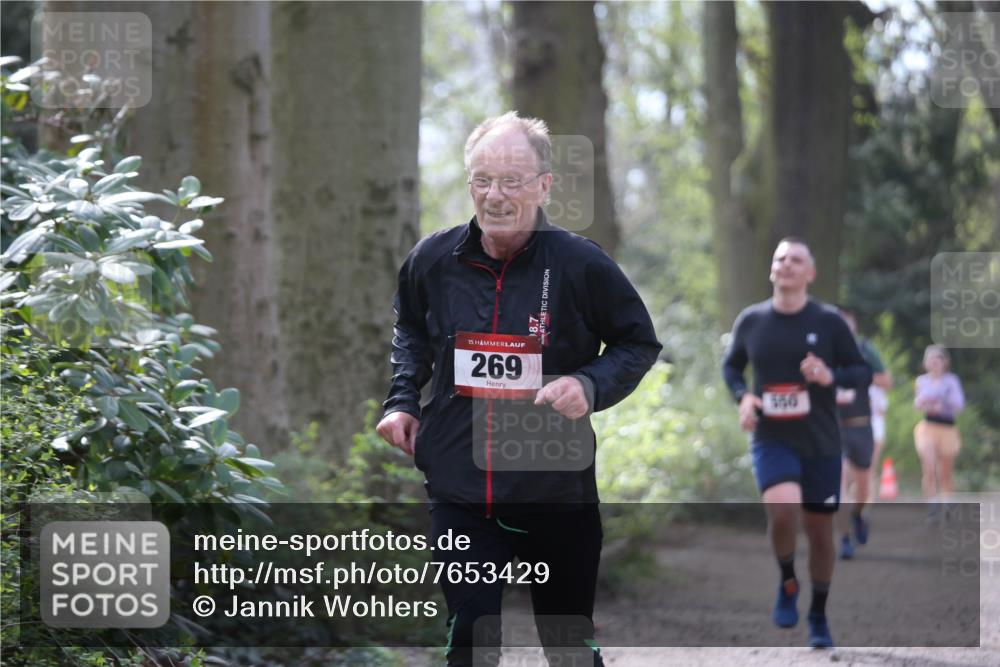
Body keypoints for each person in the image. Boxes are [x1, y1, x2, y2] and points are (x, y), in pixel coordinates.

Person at [376, 111, 661, 667]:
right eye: (482, 180)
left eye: (512, 181)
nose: (496, 195)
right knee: (471, 644)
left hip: (554, 490)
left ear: (544, 186)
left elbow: (637, 344)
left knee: (569, 647)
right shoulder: (432, 260)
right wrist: (403, 398)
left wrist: (590, 384)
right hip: (461, 491)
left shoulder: (582, 264)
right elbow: (409, 328)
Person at [722, 238, 871, 649]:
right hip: (772, 437)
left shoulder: (829, 322)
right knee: (783, 511)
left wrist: (828, 376)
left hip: (821, 441)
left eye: (796, 260)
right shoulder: (751, 320)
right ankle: (788, 580)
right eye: (780, 258)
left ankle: (819, 612)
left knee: (821, 533)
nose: (786, 264)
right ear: (772, 270)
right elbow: (732, 366)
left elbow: (860, 372)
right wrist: (744, 397)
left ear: (811, 273)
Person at [833, 307, 891, 560]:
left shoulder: (866, 350)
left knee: (863, 485)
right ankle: (844, 538)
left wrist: (859, 376)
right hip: (834, 425)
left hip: (862, 424)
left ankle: (857, 515)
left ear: (854, 325)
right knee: (840, 479)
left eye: (847, 322)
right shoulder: (822, 351)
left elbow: (887, 381)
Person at [913, 345, 965, 512]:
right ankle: (932, 504)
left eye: (938, 359)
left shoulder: (952, 381)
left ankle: (947, 501)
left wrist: (942, 405)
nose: (934, 363)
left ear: (944, 362)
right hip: (928, 427)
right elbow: (918, 403)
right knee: (928, 466)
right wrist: (925, 403)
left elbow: (959, 404)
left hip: (947, 428)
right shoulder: (922, 381)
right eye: (931, 359)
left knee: (945, 471)